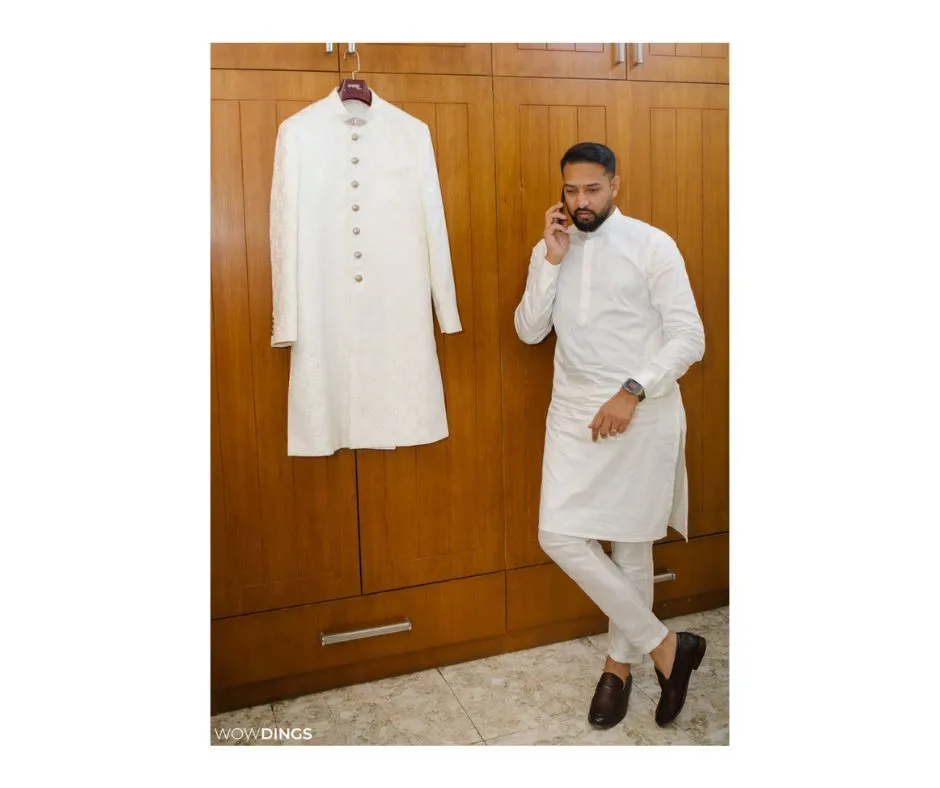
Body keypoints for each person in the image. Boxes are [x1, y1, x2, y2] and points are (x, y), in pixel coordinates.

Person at [513, 142, 707, 729]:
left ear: (615, 185)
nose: (580, 202)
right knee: (559, 535)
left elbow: (688, 337)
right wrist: (549, 261)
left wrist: (633, 389)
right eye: (571, 191)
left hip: (640, 411)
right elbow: (528, 331)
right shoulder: (552, 248)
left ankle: (617, 667)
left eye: (592, 190)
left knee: (631, 547)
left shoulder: (653, 245)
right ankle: (669, 647)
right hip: (572, 411)